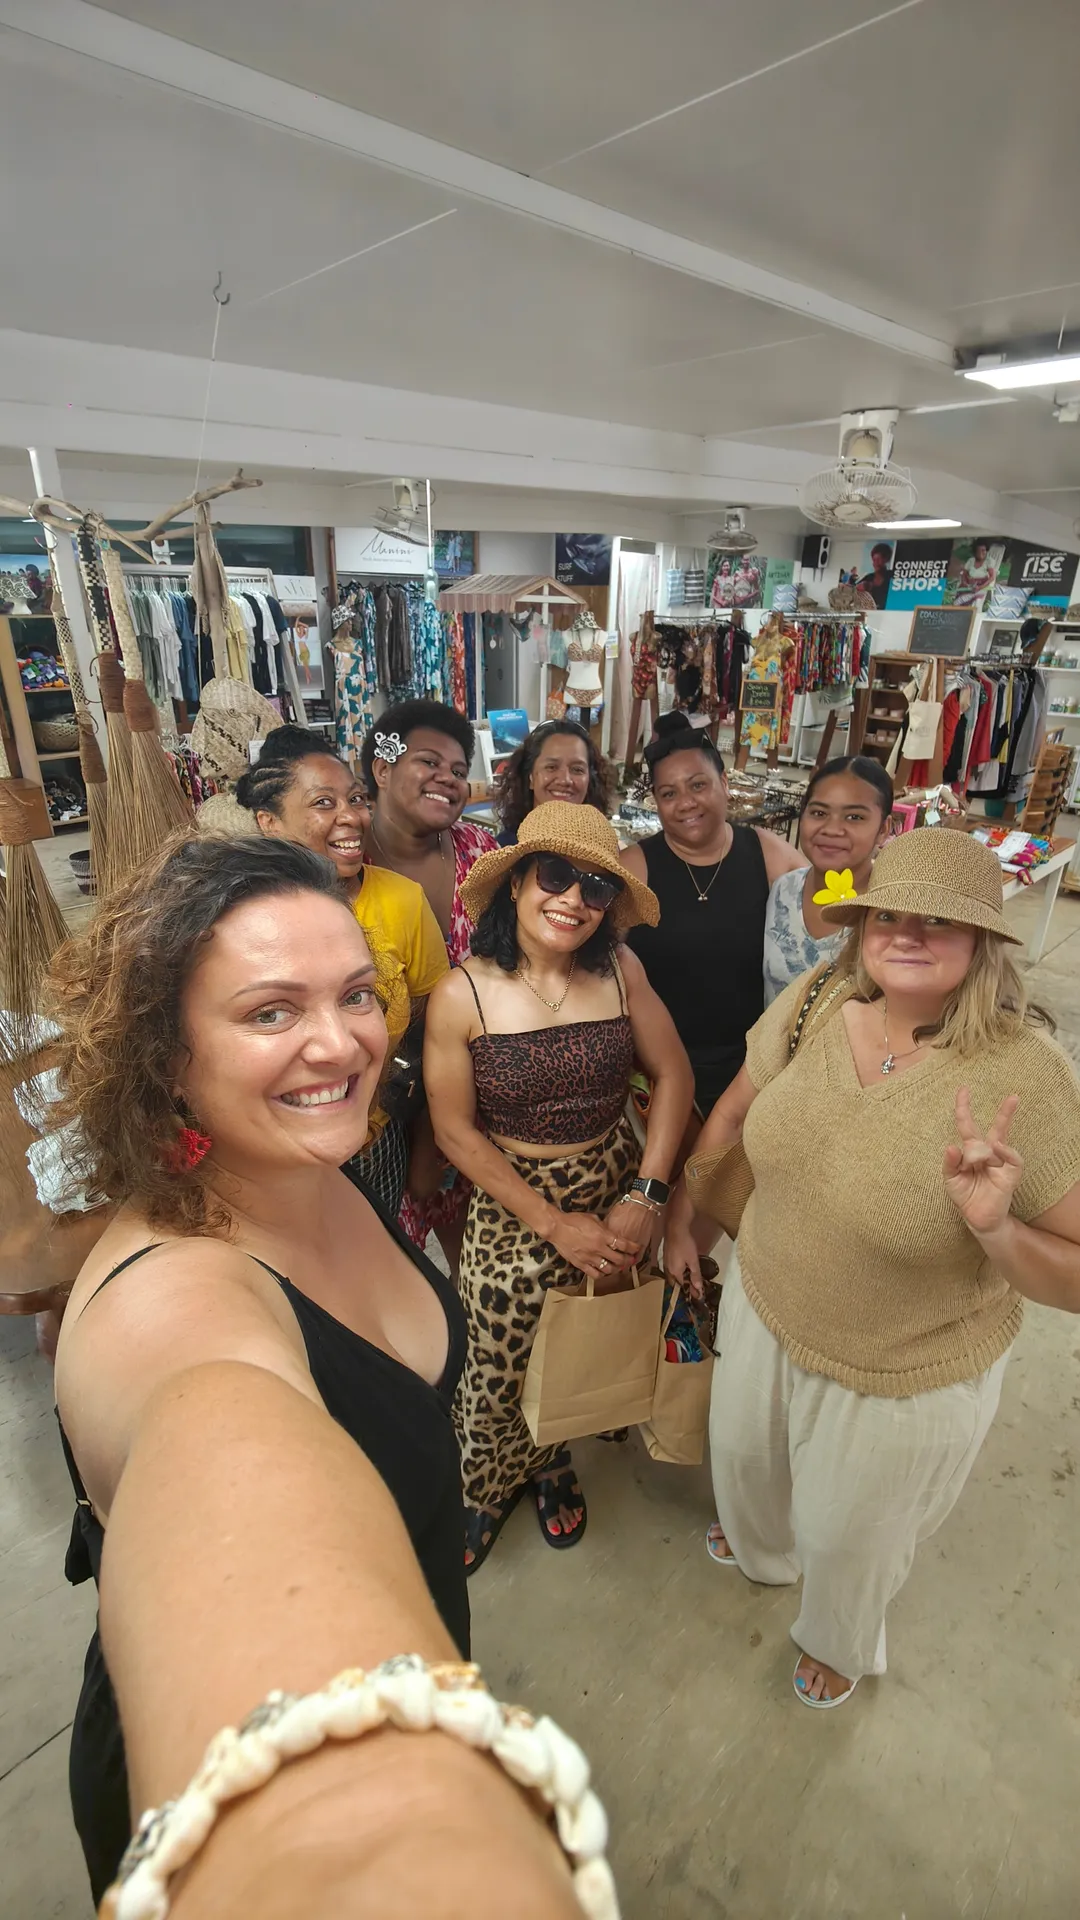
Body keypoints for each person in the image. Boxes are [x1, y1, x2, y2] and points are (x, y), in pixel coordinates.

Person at [49, 836, 471, 1899]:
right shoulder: (172, 1312)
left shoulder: (316, 1163)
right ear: (166, 1056)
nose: (341, 1043)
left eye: (357, 995)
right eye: (272, 1012)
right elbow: (227, 1471)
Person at [663, 828, 1080, 1709]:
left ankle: (837, 1638)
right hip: (765, 1300)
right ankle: (761, 1545)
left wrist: (998, 1230)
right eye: (887, 915)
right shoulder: (820, 998)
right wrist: (685, 1224)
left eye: (939, 920)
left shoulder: (1026, 1078)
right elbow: (733, 1113)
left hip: (900, 1367)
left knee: (849, 1537)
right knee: (742, 1462)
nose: (906, 934)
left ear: (983, 941)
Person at [425, 803, 694, 1572]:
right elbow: (455, 1133)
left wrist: (647, 1196)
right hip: (512, 1198)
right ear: (515, 883)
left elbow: (674, 1074)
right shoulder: (463, 994)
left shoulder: (621, 972)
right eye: (554, 875)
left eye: (596, 887)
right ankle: (486, 1485)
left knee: (589, 1337)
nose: (573, 898)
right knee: (495, 1355)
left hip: (614, 1184)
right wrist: (551, 1223)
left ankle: (550, 1462)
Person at [236, 725, 449, 1215]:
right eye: (323, 803)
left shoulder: (401, 901)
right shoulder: (242, 919)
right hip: (273, 1150)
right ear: (269, 822)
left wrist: (424, 1139)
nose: (351, 816)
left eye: (355, 799)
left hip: (375, 1141)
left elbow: (430, 1031)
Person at [360, 700, 498, 1257]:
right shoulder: (343, 863)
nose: (448, 778)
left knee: (474, 1249)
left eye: (459, 770)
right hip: (380, 1110)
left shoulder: (481, 854)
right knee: (388, 1257)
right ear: (382, 768)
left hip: (478, 1099)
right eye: (428, 762)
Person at [621, 711, 804, 1114]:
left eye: (698, 785)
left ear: (724, 783)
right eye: (668, 793)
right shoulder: (634, 868)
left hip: (754, 1074)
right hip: (656, 1075)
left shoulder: (769, 855)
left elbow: (820, 933)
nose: (686, 803)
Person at [763, 755, 894, 1004]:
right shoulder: (784, 891)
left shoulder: (892, 912)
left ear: (883, 829)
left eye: (854, 817)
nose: (832, 829)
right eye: (819, 812)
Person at [493, 717, 616, 846]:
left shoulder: (603, 846)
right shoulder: (504, 849)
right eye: (551, 767)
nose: (565, 780)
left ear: (590, 779)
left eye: (577, 769)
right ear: (531, 777)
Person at [952, 537, 998, 609]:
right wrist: (964, 582)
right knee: (958, 600)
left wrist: (980, 587)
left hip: (982, 587)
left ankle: (965, 609)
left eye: (983, 550)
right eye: (978, 551)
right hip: (969, 586)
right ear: (975, 552)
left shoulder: (989, 561)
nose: (981, 553)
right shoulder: (971, 561)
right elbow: (964, 573)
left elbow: (992, 577)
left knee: (965, 601)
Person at [857, 542, 894, 609]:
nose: (876, 563)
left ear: (886, 559)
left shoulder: (892, 576)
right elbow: (853, 589)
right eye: (874, 560)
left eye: (879, 559)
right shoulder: (869, 577)